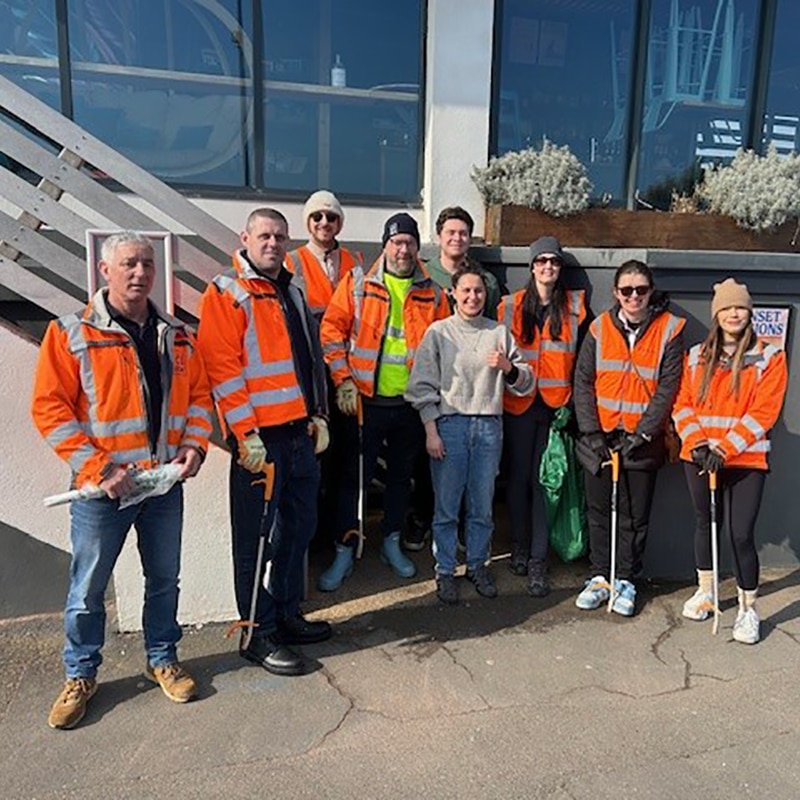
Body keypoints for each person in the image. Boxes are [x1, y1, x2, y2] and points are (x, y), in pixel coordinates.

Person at [31, 231, 214, 730]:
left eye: (147, 265)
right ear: (105, 271)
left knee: (163, 579)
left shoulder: (177, 333)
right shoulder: (71, 332)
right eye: (129, 264)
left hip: (160, 487)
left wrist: (195, 445)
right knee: (87, 587)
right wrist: (102, 468)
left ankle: (162, 657)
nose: (140, 273)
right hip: (101, 490)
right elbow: (50, 410)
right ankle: (80, 675)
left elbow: (199, 396)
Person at [197, 208, 331, 677]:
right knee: (255, 543)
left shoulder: (292, 288)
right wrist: (244, 433)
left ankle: (288, 615)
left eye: (278, 236)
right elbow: (222, 365)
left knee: (299, 530)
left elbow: (308, 358)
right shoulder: (227, 292)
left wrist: (318, 412)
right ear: (245, 239)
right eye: (263, 236)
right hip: (260, 443)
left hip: (299, 433)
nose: (272, 243)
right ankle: (257, 632)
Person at [318, 212, 450, 591]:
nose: (403, 249)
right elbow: (331, 330)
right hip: (363, 402)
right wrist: (342, 380)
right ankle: (345, 547)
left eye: (409, 242)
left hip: (411, 404)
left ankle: (391, 541)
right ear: (385, 245)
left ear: (416, 247)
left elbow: (443, 346)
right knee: (350, 479)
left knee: (399, 479)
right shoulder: (358, 283)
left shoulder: (433, 292)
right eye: (396, 242)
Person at [406, 265, 533, 604]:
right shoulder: (439, 333)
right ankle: (445, 571)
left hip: (489, 427)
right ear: (453, 293)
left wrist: (509, 368)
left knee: (481, 507)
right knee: (447, 507)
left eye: (478, 291)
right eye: (466, 290)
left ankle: (477, 565)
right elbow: (420, 386)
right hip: (450, 425)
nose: (473, 297)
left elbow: (526, 382)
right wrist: (431, 430)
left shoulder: (499, 333)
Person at [673, 278, 787, 645]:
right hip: (700, 456)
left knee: (740, 534)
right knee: (705, 523)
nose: (733, 313)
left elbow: (764, 412)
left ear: (749, 312)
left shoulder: (770, 356)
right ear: (716, 314)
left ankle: (748, 609)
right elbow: (682, 405)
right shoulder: (695, 356)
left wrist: (725, 448)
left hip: (746, 459)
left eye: (739, 307)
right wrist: (698, 443)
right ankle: (707, 591)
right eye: (726, 308)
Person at [573, 259, 685, 616]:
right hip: (601, 438)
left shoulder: (670, 329)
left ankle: (625, 579)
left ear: (650, 292)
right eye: (627, 290)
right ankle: (600, 577)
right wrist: (591, 432)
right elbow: (583, 381)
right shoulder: (599, 328)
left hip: (641, 439)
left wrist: (643, 432)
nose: (634, 296)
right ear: (616, 293)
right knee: (599, 510)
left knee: (634, 516)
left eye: (641, 289)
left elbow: (668, 386)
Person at [406, 205, 503, 552]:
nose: (457, 238)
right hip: (428, 379)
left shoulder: (485, 281)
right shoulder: (422, 273)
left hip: (469, 386)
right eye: (451, 232)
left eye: (463, 233)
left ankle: (464, 533)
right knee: (426, 461)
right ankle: (422, 520)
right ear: (439, 237)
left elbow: (487, 330)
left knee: (467, 476)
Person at [498, 236, 588, 597]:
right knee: (517, 480)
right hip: (518, 404)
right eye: (542, 261)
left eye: (554, 261)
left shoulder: (576, 308)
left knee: (542, 484)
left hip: (554, 408)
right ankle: (519, 546)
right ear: (532, 266)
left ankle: (538, 560)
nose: (548, 267)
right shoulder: (509, 306)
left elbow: (584, 358)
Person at [284, 190, 360, 546]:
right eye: (317, 217)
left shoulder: (354, 261)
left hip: (346, 369)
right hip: (309, 369)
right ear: (308, 223)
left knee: (345, 454)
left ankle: (338, 534)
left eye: (331, 217)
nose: (324, 223)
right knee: (313, 453)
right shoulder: (292, 261)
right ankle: (309, 539)